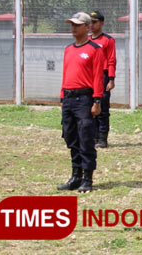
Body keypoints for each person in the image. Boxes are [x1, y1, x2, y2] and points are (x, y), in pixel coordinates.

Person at [57, 12, 105, 193]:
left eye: (77, 25)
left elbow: (97, 77)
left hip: (84, 99)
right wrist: (62, 96)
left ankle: (88, 179)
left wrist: (97, 101)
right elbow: (65, 74)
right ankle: (75, 176)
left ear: (87, 27)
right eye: (72, 25)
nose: (73, 28)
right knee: (70, 137)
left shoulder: (94, 49)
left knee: (85, 138)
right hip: (69, 98)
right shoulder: (68, 50)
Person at [89, 10, 116, 148]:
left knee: (103, 107)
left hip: (103, 76)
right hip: (90, 76)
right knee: (90, 107)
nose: (91, 25)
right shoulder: (87, 40)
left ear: (101, 23)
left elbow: (111, 60)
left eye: (94, 22)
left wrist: (111, 79)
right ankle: (92, 137)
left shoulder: (107, 40)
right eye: (90, 22)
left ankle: (102, 138)